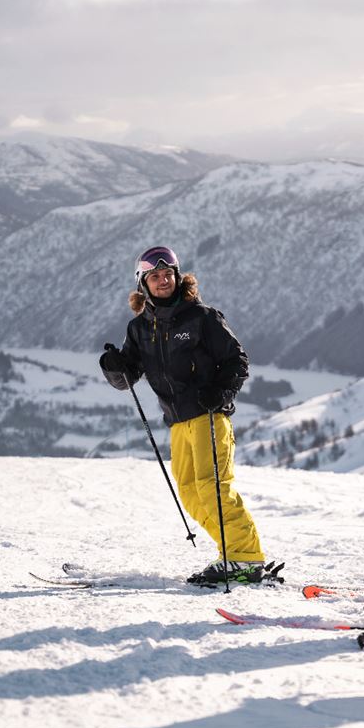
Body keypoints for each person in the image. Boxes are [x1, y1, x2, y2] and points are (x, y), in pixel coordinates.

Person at [99, 245, 267, 584]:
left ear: (178, 277)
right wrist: (114, 368)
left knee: (212, 487)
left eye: (168, 275)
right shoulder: (140, 329)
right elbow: (127, 378)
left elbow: (238, 361)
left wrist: (220, 393)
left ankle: (245, 557)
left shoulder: (202, 318)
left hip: (208, 416)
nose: (163, 281)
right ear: (143, 283)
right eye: (155, 276)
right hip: (178, 422)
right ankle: (231, 555)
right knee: (190, 491)